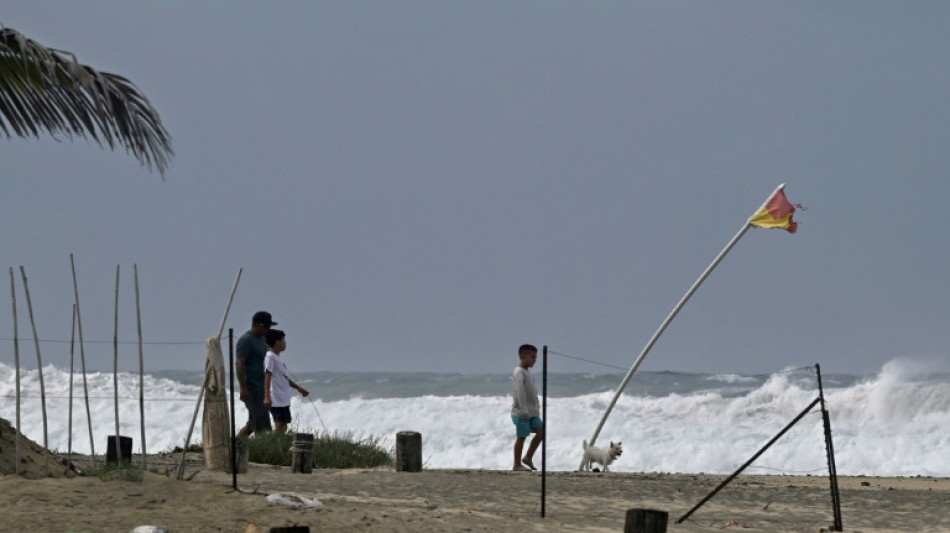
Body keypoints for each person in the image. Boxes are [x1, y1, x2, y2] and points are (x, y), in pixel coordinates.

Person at [236, 310, 277, 438]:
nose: (268, 329)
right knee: (263, 426)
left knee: (253, 424)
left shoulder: (264, 339)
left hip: (263, 388)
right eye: (267, 326)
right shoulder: (246, 340)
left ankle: (235, 445)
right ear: (258, 325)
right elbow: (239, 364)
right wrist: (243, 388)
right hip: (252, 389)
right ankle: (266, 455)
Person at [263, 329, 310, 434]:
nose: (285, 343)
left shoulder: (277, 358)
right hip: (275, 397)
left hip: (282, 398)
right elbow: (267, 375)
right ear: (277, 342)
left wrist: (299, 388)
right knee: (279, 424)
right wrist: (267, 397)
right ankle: (271, 444)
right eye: (283, 340)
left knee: (283, 426)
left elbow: (284, 379)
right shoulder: (270, 357)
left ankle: (276, 445)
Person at [511, 343, 544, 471]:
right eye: (532, 357)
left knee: (541, 432)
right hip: (521, 412)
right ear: (523, 357)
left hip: (533, 412)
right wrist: (524, 411)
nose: (535, 360)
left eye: (536, 357)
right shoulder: (519, 372)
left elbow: (532, 392)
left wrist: (536, 409)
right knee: (522, 437)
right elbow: (520, 393)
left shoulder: (528, 372)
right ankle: (516, 464)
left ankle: (528, 457)